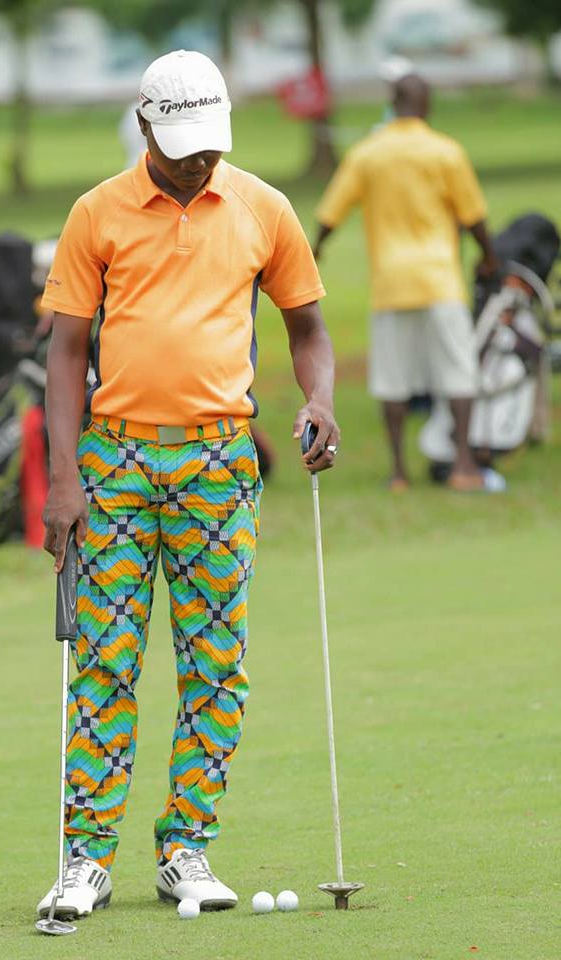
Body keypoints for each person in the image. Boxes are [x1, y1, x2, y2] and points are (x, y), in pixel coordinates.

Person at [36, 49, 339, 921]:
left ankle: (186, 849)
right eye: (181, 149)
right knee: (104, 661)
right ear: (144, 127)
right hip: (116, 463)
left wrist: (319, 399)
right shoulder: (97, 212)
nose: (199, 162)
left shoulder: (263, 207)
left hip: (219, 462)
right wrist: (64, 479)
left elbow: (307, 327)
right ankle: (86, 860)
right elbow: (65, 354)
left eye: (210, 146)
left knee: (215, 665)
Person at [313, 73, 504, 492]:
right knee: (458, 372)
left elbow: (331, 212)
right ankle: (463, 464)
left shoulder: (367, 153)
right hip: (440, 279)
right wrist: (490, 258)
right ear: (427, 104)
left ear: (393, 101)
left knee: (393, 379)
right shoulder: (445, 151)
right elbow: (474, 216)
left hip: (391, 282)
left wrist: (316, 249)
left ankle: (399, 472)